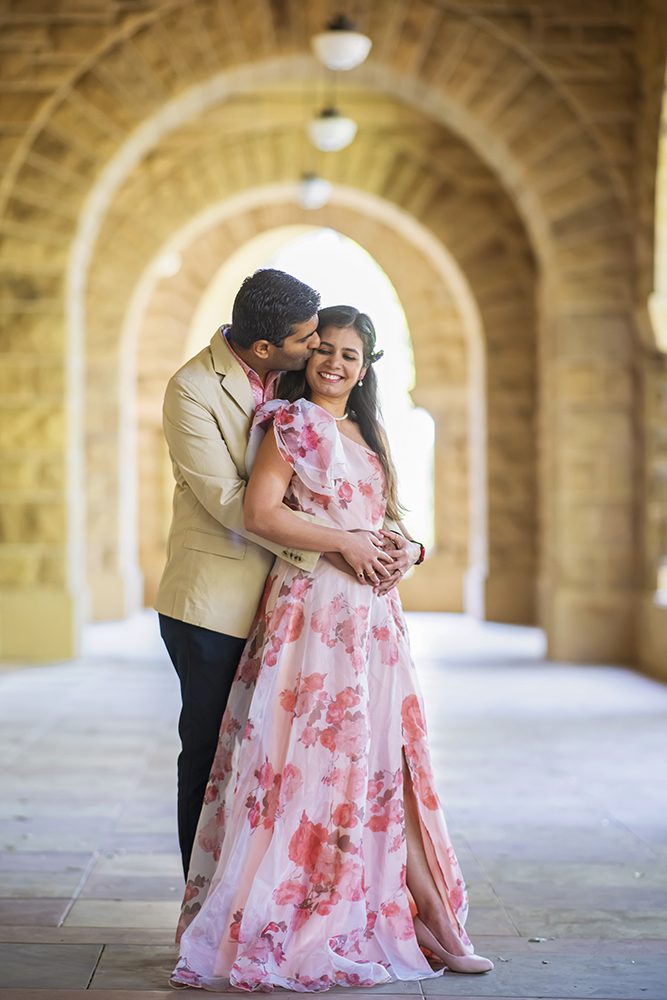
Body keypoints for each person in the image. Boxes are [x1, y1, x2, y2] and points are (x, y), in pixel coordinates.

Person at [169, 306, 494, 991]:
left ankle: (425, 911)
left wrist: (410, 548)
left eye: (350, 353)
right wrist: (345, 544)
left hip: (375, 620)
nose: (334, 363)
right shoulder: (289, 424)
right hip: (312, 612)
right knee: (310, 765)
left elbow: (385, 519)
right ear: (304, 357)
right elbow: (261, 513)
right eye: (323, 349)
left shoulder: (367, 430)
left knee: (386, 766)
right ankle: (304, 910)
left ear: (367, 365)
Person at [156, 273, 417, 879]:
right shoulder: (192, 390)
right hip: (216, 602)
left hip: (291, 606)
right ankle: (205, 906)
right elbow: (235, 503)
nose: (317, 348)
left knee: (278, 754)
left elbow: (358, 492)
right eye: (309, 341)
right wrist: (337, 547)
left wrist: (397, 544)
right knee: (215, 753)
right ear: (267, 348)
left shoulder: (295, 384)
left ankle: (272, 892)